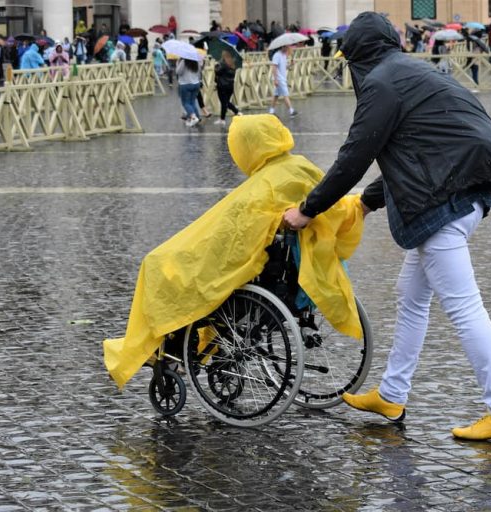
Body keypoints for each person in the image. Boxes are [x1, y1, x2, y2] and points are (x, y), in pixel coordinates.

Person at [282, 12, 491, 441]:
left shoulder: (381, 83)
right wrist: (370, 204)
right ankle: (392, 393)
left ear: (357, 56)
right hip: (463, 184)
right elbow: (416, 152)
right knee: (410, 297)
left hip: (445, 198)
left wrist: (308, 209)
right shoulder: (413, 71)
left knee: (465, 308)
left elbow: (355, 156)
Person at [104, 114, 364, 389]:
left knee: (157, 265)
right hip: (288, 266)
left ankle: (156, 347)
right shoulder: (299, 167)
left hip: (257, 268)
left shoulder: (264, 185)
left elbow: (231, 241)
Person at [214, 50, 241, 125]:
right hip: (230, 86)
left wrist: (216, 65)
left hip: (222, 86)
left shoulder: (223, 64)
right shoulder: (233, 64)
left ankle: (223, 119)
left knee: (224, 102)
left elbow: (217, 72)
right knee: (226, 102)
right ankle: (236, 112)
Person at [269, 45, 297, 117]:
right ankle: (291, 111)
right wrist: (275, 79)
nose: (289, 48)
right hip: (279, 78)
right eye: (287, 47)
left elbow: (285, 67)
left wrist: (291, 64)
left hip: (282, 77)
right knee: (285, 94)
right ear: (283, 47)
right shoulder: (277, 55)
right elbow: (274, 67)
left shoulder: (284, 55)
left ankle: (271, 111)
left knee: (276, 95)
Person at [177, 57, 201, 127]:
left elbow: (178, 72)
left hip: (185, 84)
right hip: (196, 83)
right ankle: (197, 117)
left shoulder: (184, 62)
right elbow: (199, 73)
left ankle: (193, 118)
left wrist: (178, 63)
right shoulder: (196, 61)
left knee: (185, 103)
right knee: (192, 102)